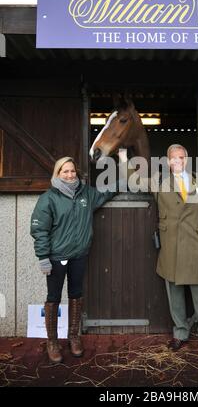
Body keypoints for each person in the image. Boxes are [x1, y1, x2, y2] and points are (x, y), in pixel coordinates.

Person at [30, 156, 117, 364]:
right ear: (58, 173)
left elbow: (104, 194)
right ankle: (52, 341)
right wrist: (43, 257)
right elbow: (39, 230)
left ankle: (73, 337)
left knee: (76, 294)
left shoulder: (86, 193)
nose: (70, 175)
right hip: (57, 256)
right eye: (65, 171)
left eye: (72, 171)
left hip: (79, 255)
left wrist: (122, 182)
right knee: (53, 296)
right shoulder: (48, 198)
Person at [156, 144, 198, 354]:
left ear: (186, 160)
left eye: (181, 157)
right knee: (175, 294)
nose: (178, 161)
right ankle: (180, 333)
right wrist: (123, 158)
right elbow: (135, 179)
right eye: (173, 158)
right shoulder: (160, 184)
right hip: (172, 246)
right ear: (168, 162)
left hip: (195, 245)